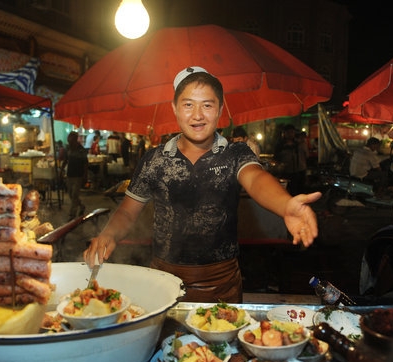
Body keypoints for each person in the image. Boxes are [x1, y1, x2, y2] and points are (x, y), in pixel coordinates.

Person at [83, 66, 321, 303]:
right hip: (163, 279)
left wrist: (285, 205)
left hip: (220, 283)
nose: (197, 115)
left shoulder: (235, 153)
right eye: (188, 105)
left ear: (220, 110)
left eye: (207, 105)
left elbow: (255, 178)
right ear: (175, 109)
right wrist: (109, 234)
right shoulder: (155, 159)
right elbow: (127, 210)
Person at [274, 125, 308, 195]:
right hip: (286, 171)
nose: (290, 134)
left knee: (299, 190)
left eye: (292, 132)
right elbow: (276, 158)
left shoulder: (299, 143)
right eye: (288, 132)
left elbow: (306, 155)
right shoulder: (280, 145)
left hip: (299, 171)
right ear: (284, 133)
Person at [62, 131, 88, 220]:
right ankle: (81, 206)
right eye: (68, 138)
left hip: (78, 175)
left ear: (75, 139)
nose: (69, 140)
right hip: (70, 174)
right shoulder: (68, 149)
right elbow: (66, 160)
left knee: (74, 195)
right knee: (71, 195)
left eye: (70, 138)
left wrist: (85, 175)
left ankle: (72, 214)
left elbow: (85, 164)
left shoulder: (81, 150)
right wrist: (61, 170)